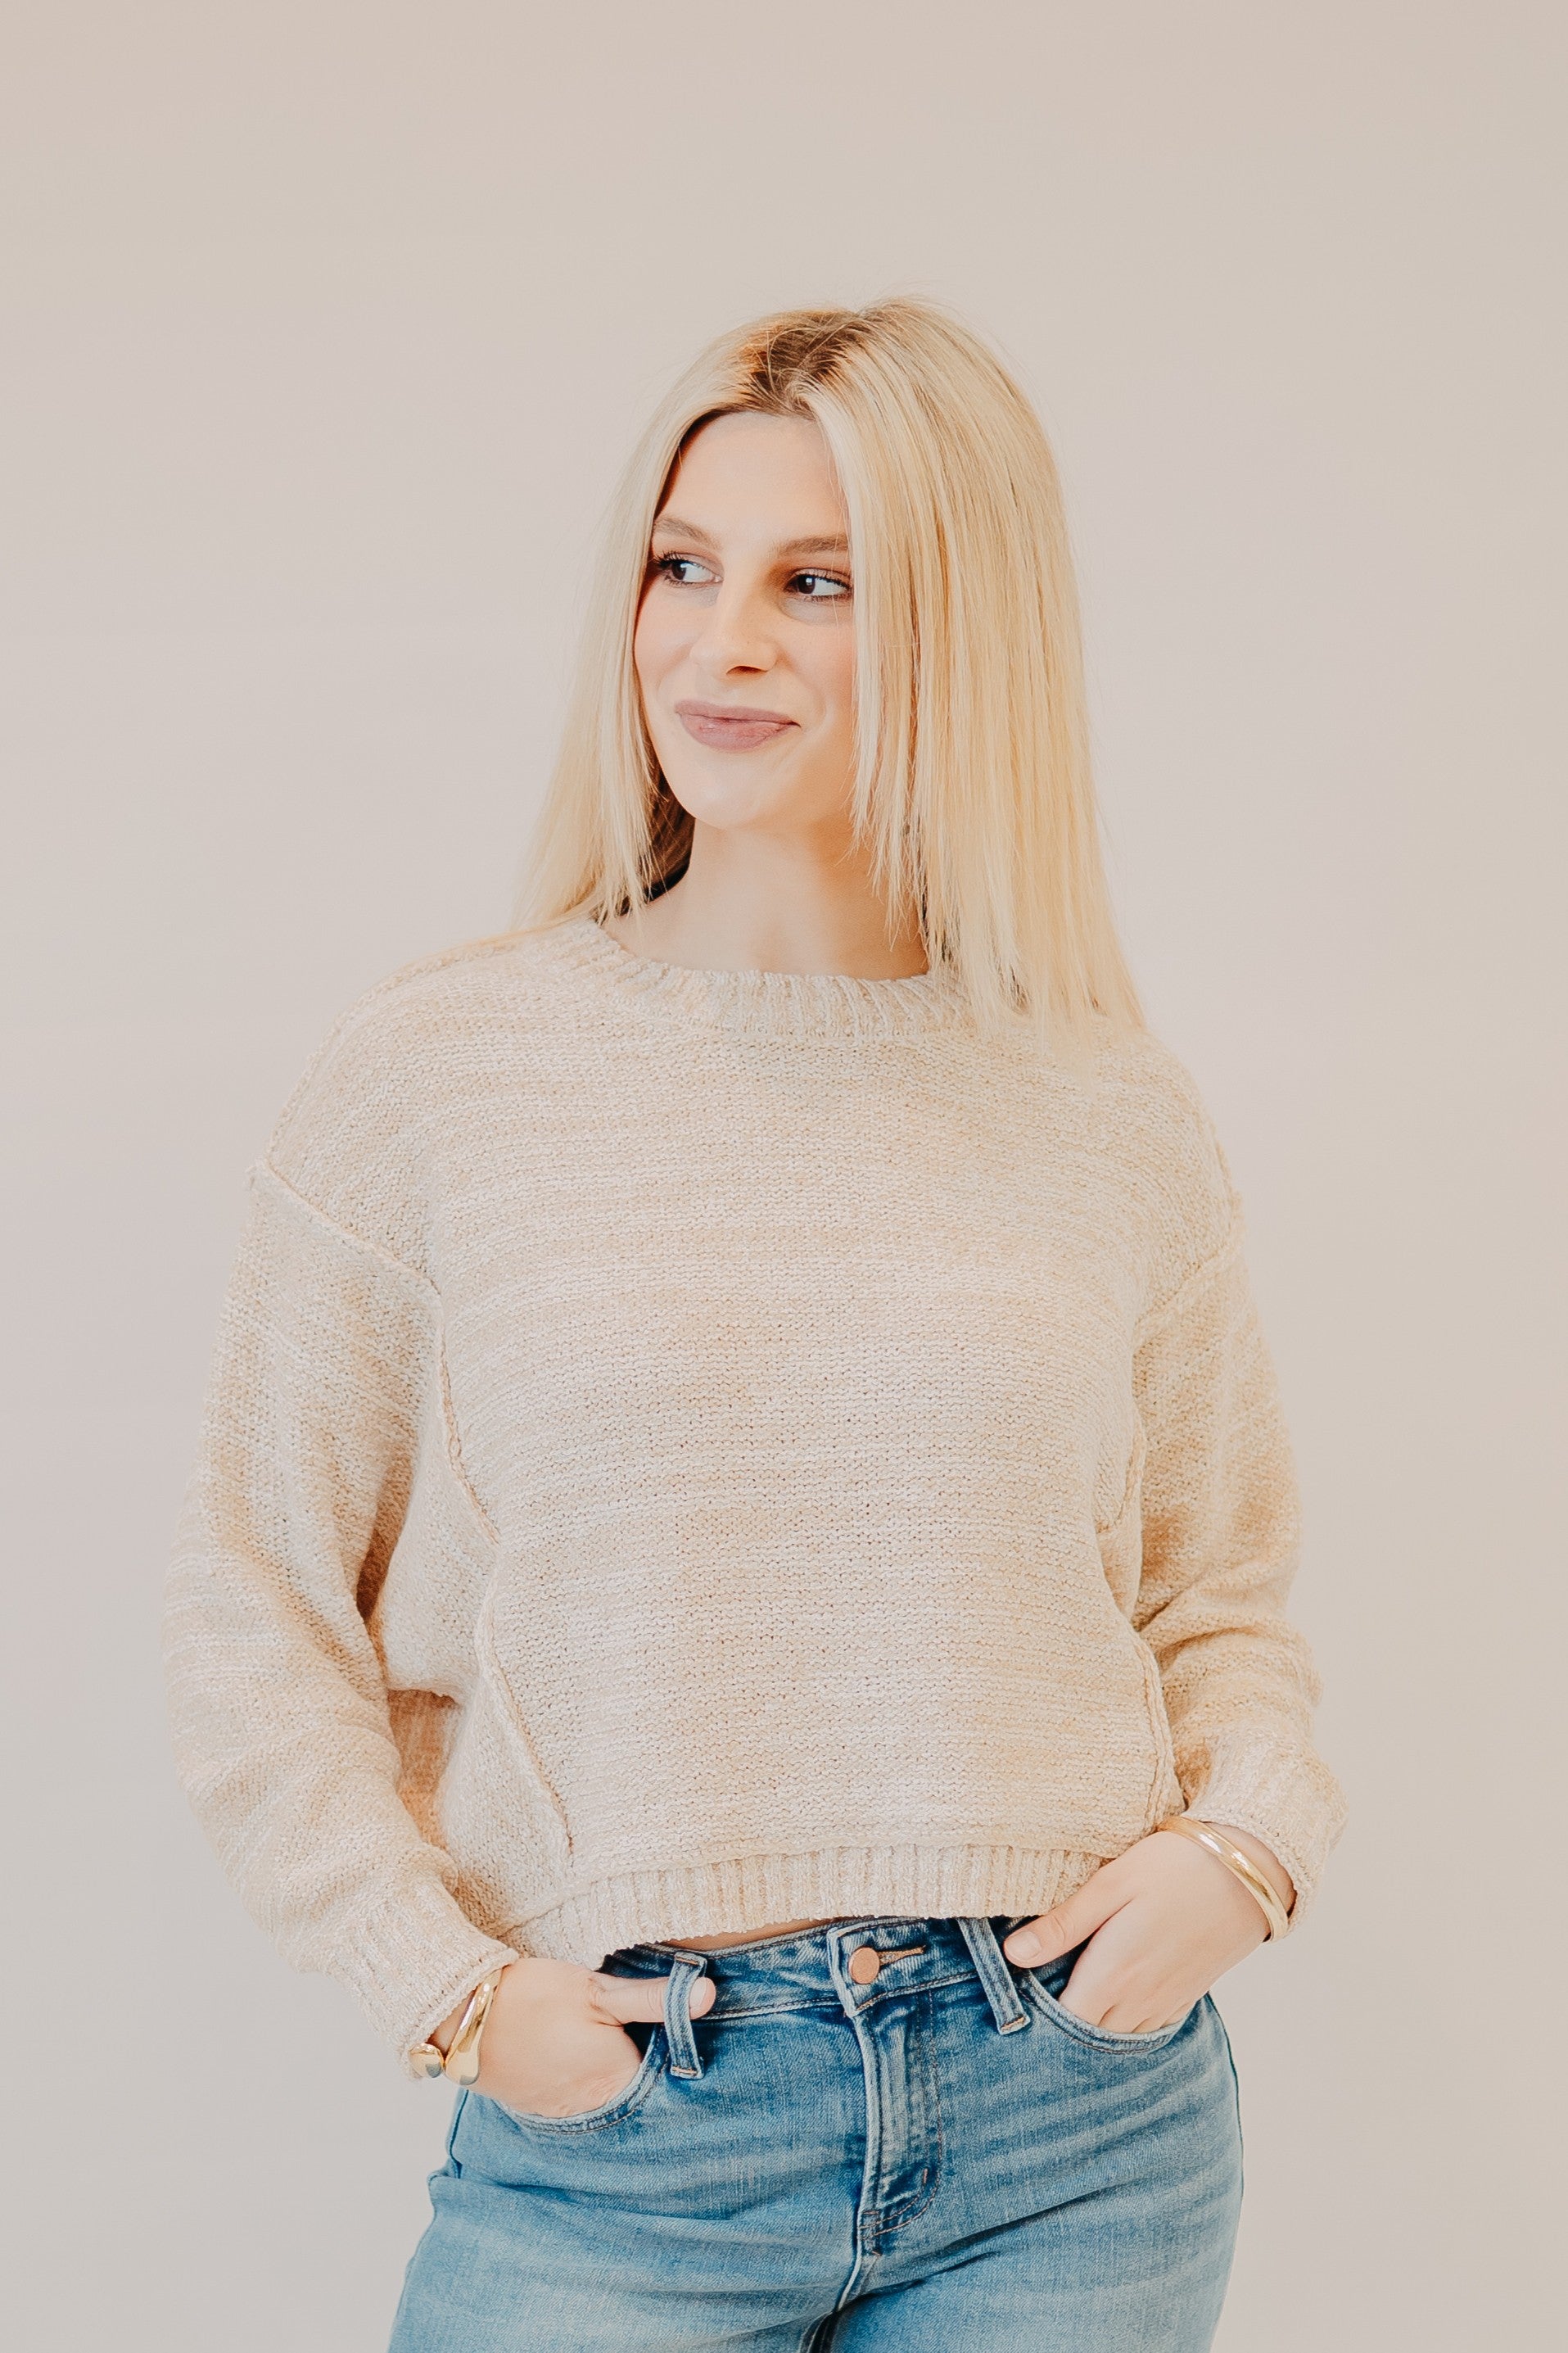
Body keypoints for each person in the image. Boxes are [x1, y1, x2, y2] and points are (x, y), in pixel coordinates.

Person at [165, 299, 1345, 2351]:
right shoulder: (444, 1074)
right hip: (629, 2134)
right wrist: (448, 1991)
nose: (720, 644)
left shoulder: (1102, 1100)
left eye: (818, 585)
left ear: (967, 629)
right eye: (681, 566)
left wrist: (1244, 1850)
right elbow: (256, 1603)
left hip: (1075, 2121)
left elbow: (1215, 1595)